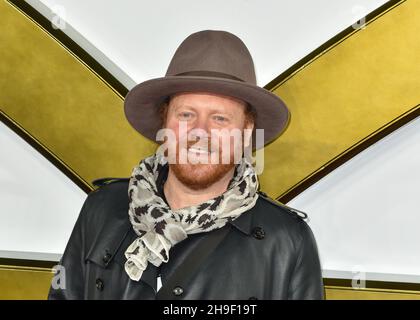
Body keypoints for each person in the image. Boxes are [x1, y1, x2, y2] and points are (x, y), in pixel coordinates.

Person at [48, 30, 324, 300]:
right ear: (164, 122)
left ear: (247, 132)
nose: (199, 132)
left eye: (220, 119)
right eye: (186, 114)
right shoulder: (102, 209)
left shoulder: (288, 242)